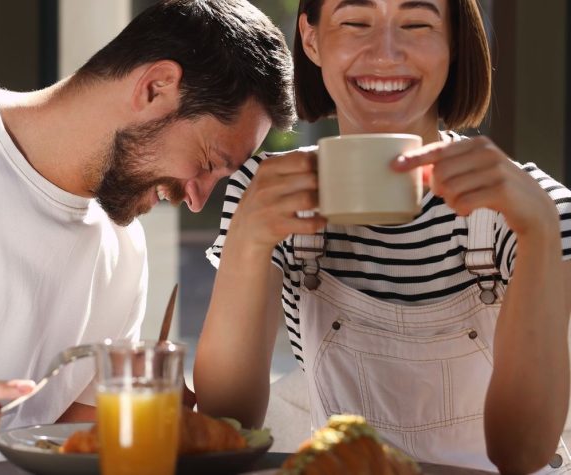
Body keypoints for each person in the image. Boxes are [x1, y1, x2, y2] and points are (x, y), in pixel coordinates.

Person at [0, 0, 295, 472]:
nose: (198, 200)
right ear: (155, 87)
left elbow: (60, 435)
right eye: (208, 162)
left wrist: (151, 430)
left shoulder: (123, 249)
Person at [194, 0, 571, 473]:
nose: (386, 53)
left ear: (453, 43)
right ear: (311, 39)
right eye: (355, 23)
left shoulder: (536, 208)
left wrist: (539, 233)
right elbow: (226, 427)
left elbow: (521, 454)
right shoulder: (266, 190)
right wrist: (247, 242)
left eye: (416, 24)